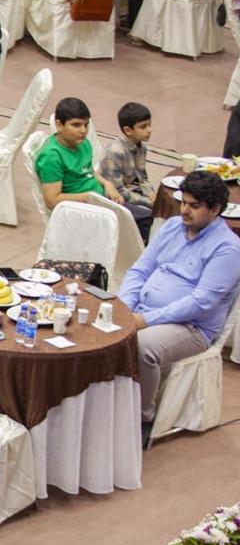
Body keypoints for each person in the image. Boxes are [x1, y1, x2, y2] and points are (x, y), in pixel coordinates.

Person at [117, 170, 240, 438]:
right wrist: (125, 307)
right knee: (100, 326)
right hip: (142, 310)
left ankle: (142, 418)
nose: (184, 210)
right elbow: (140, 269)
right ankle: (112, 403)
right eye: (183, 202)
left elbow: (200, 303)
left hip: (191, 327)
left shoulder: (228, 249)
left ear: (215, 209)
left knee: (142, 346)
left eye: (194, 206)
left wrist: (145, 320)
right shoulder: (173, 226)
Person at [34, 98, 133, 216]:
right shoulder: (51, 157)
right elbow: (52, 201)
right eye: (76, 125)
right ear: (59, 125)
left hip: (101, 200)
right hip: (83, 212)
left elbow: (89, 172)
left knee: (145, 212)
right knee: (143, 219)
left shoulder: (82, 143)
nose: (83, 130)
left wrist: (107, 184)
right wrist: (90, 197)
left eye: (86, 124)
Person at [98, 102, 155, 241]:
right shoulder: (115, 152)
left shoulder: (142, 148)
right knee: (152, 217)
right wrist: (148, 202)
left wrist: (150, 193)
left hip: (133, 192)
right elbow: (118, 191)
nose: (149, 130)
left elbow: (142, 178)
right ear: (128, 130)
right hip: (117, 199)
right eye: (143, 127)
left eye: (149, 125)